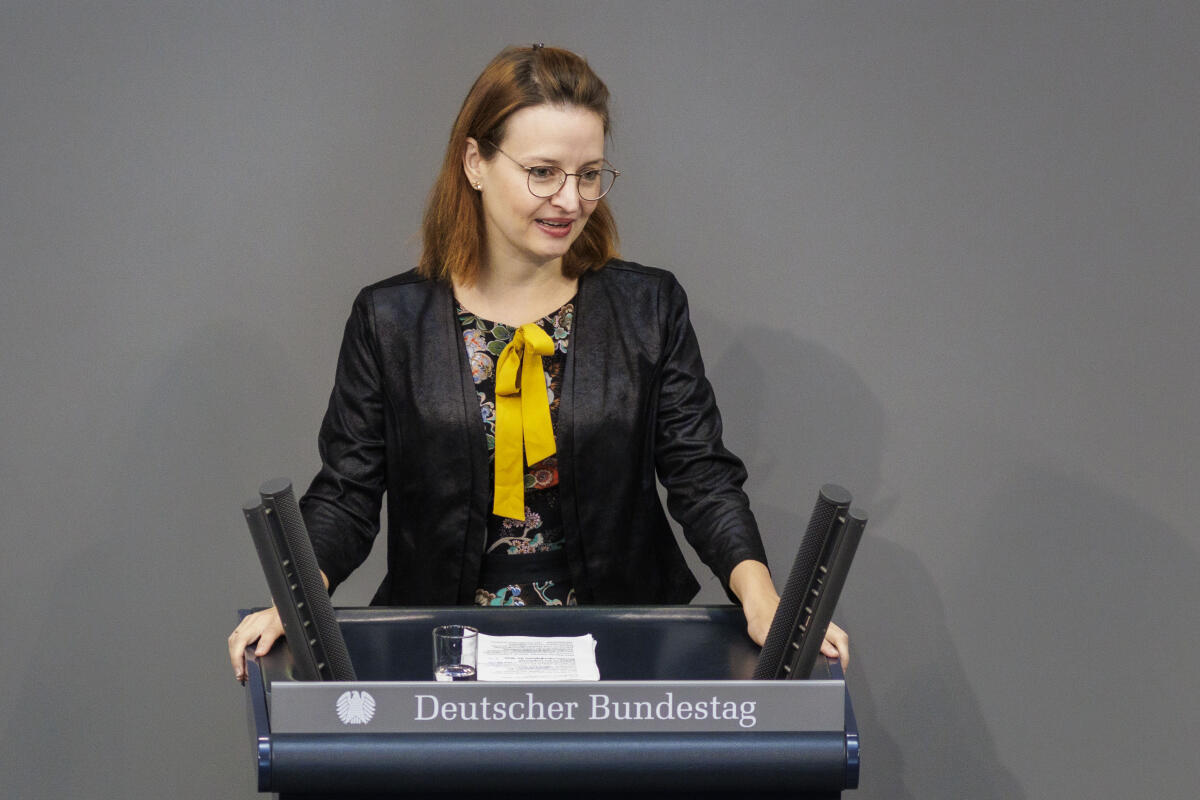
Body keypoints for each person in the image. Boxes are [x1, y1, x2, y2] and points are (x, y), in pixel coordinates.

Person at [229, 44, 847, 683]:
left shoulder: (649, 306)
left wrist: (762, 594)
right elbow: (348, 495)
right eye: (544, 171)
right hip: (438, 648)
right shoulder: (389, 320)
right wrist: (294, 598)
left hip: (622, 649)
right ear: (475, 162)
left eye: (589, 174)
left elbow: (701, 475)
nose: (571, 200)